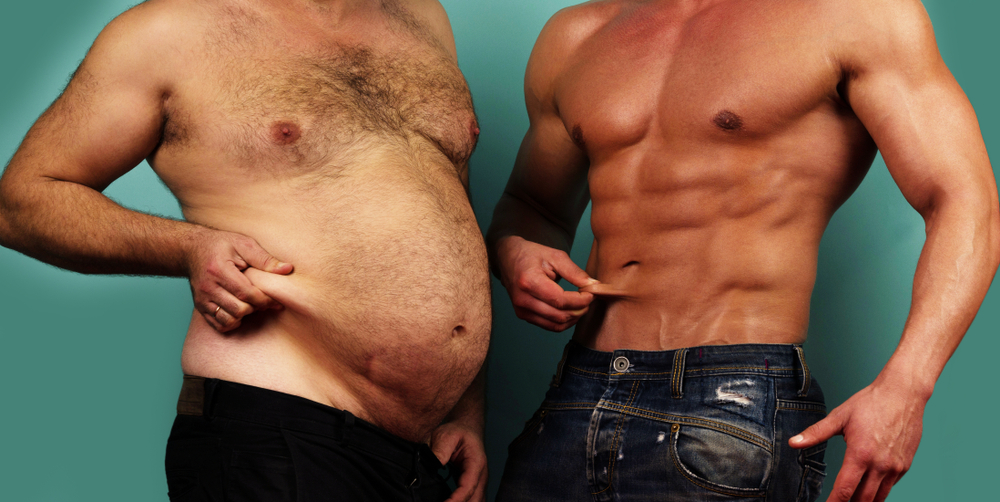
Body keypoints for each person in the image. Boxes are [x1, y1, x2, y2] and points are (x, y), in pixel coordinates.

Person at [487, 0, 999, 501]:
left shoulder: (852, 14)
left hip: (733, 402)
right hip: (576, 394)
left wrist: (907, 387)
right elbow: (531, 207)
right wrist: (514, 255)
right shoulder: (576, 34)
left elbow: (965, 201)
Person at [0, 1, 491, 501]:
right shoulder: (167, 30)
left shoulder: (422, 16)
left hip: (417, 456)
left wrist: (463, 413)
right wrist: (190, 247)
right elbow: (20, 203)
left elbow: (449, 214)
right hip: (278, 430)